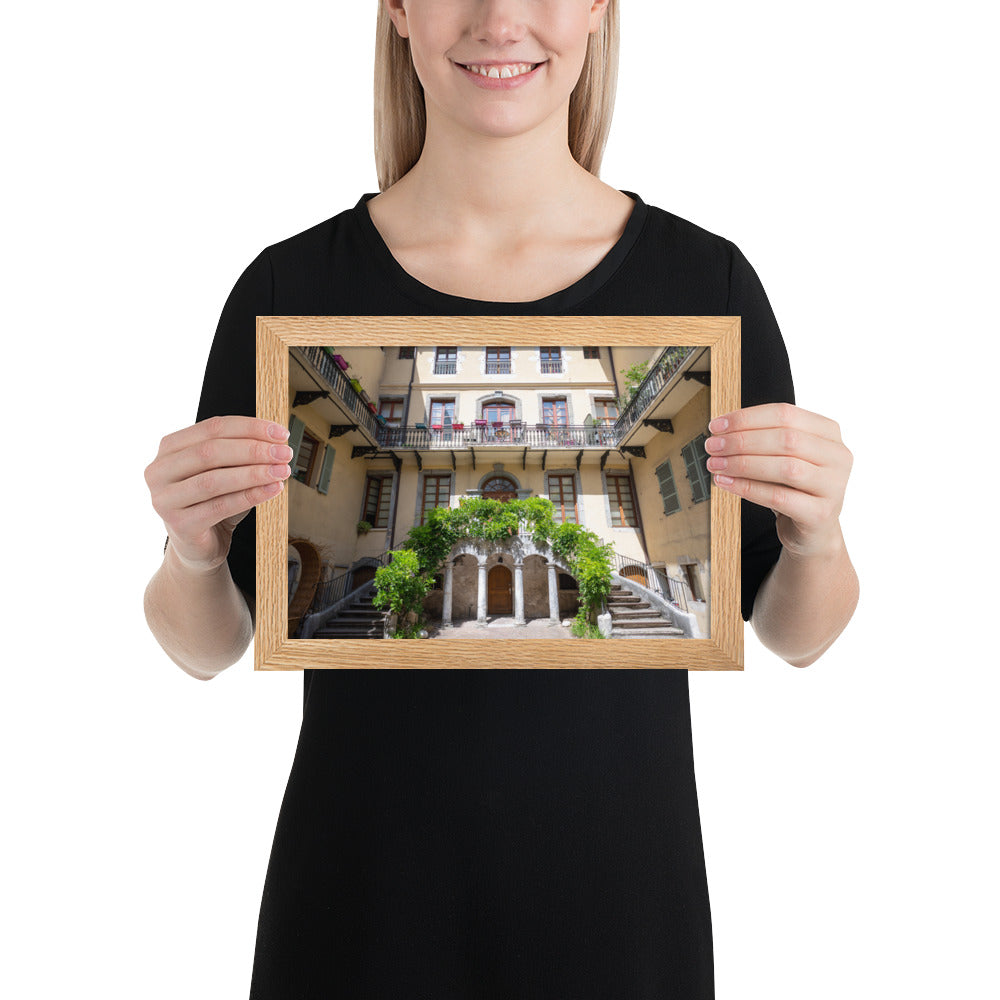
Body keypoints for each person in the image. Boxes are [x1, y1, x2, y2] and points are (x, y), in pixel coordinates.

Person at [144, 1, 858, 996]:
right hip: (361, 915)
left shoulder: (704, 284)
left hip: (619, 918)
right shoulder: (290, 288)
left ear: (601, 8)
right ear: (397, 9)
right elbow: (205, 644)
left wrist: (815, 535)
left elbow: (796, 631)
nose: (500, 17)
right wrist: (188, 549)